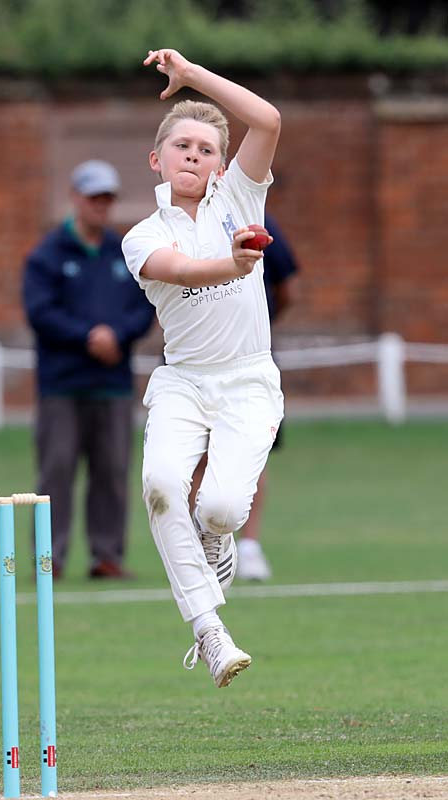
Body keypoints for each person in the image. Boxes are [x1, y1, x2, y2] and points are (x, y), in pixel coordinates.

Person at [122, 49, 283, 688]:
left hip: (248, 379)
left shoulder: (241, 195)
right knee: (162, 486)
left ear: (222, 163)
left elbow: (266, 120)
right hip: (183, 381)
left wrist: (191, 78)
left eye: (207, 148)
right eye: (181, 145)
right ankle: (210, 633)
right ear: (157, 160)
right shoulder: (140, 235)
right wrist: (234, 266)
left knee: (218, 508)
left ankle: (217, 538)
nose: (194, 154)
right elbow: (181, 272)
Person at [23, 159, 156, 581]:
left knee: (112, 472)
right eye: (94, 197)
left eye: (108, 198)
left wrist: (116, 336)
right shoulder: (47, 255)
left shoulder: (124, 250)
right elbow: (41, 312)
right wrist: (88, 336)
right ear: (76, 198)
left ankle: (107, 555)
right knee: (56, 471)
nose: (101, 205)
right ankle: (51, 558)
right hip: (62, 384)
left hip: (113, 383)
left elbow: (144, 306)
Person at [190, 212, 299, 581]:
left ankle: (249, 547)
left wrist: (256, 328)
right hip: (196, 360)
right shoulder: (179, 226)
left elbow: (286, 288)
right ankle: (202, 547)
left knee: (254, 451)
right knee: (198, 455)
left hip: (249, 358)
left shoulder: (256, 219)